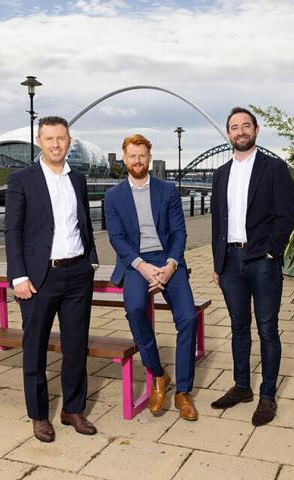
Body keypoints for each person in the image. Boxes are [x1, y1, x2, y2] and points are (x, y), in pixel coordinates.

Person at [5, 116, 99, 442]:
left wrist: (91, 260)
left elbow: (83, 223)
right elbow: (12, 231)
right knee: (35, 349)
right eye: (49, 139)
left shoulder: (79, 180)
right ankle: (39, 415)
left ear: (69, 141)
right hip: (38, 277)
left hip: (77, 274)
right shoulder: (22, 180)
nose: (56, 144)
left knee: (75, 347)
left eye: (61, 138)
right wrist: (17, 276)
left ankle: (73, 409)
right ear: (39, 141)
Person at [210, 107, 294, 426]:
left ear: (256, 130)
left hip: (262, 260)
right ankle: (242, 387)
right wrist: (218, 262)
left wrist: (273, 252)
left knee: (267, 329)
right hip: (230, 262)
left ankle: (267, 395)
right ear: (228, 133)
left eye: (246, 125)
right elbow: (219, 222)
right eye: (234, 127)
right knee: (238, 326)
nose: (240, 131)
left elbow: (287, 215)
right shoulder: (220, 174)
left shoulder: (274, 168)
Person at [104, 134, 199, 421]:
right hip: (135, 262)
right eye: (132, 156)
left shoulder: (167, 190)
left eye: (142, 155)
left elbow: (179, 232)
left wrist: (170, 266)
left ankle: (183, 391)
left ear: (149, 157)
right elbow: (117, 238)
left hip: (168, 258)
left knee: (188, 318)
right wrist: (143, 266)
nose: (137, 161)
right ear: (124, 158)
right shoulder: (113, 196)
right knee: (133, 308)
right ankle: (158, 374)